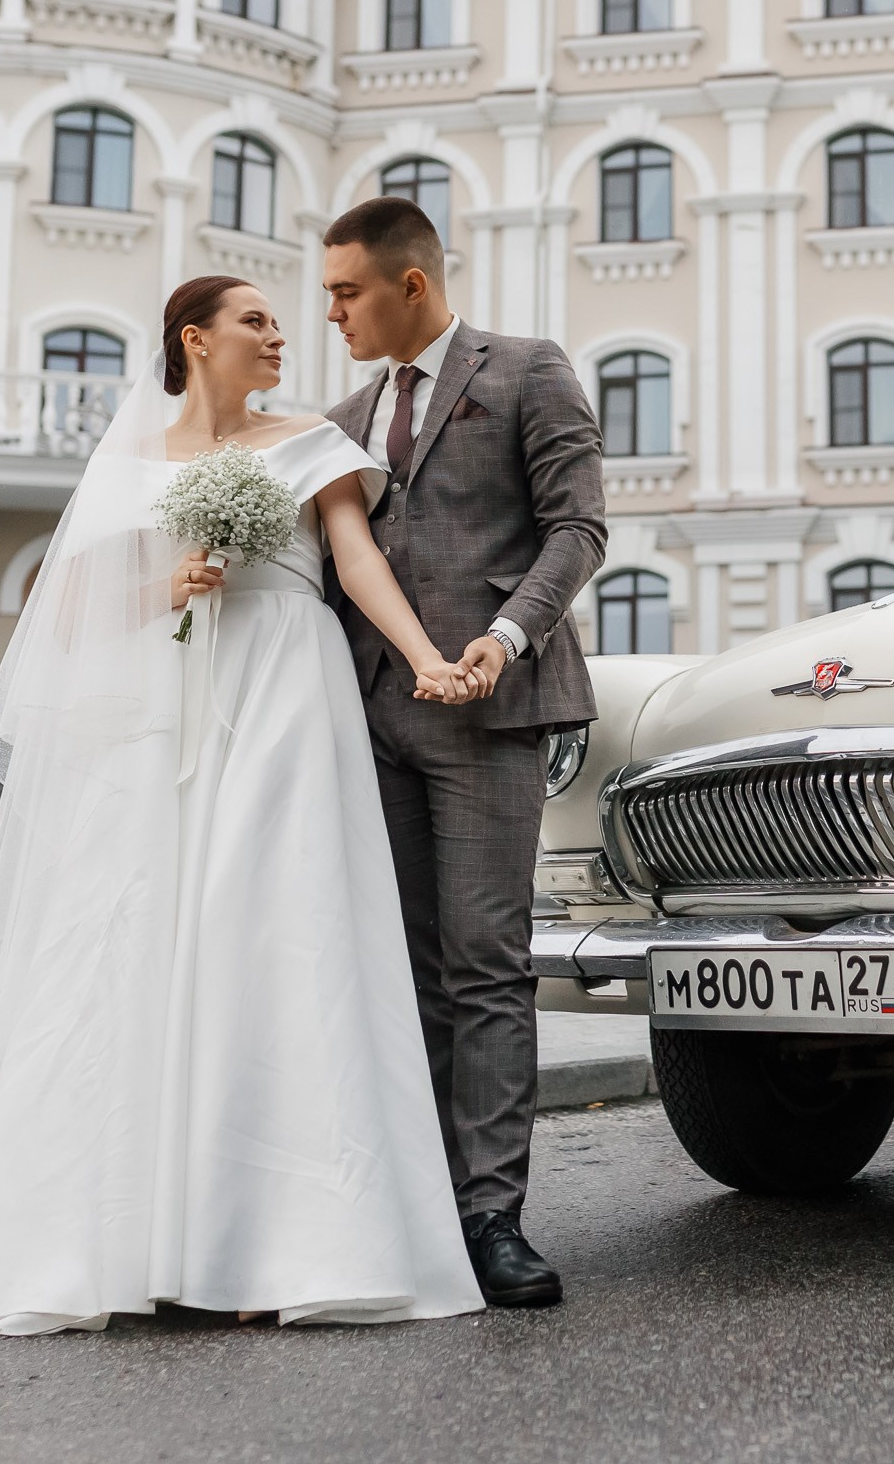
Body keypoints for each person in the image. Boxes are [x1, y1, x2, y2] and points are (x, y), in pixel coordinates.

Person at [0, 275, 486, 1334]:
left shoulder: (309, 439)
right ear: (196, 339)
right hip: (159, 714)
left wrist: (425, 660)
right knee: (138, 941)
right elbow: (73, 616)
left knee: (279, 931)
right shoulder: (126, 463)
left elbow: (354, 562)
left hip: (282, 693)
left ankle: (275, 1240)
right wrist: (165, 589)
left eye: (279, 320)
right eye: (256, 321)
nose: (280, 336)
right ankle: (134, 1239)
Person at [322, 198, 607, 1308]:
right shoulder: (341, 418)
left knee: (486, 966)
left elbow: (578, 528)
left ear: (411, 285)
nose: (333, 311)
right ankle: (425, 1208)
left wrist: (501, 638)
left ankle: (492, 1219)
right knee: (410, 972)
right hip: (374, 719)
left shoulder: (528, 370)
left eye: (347, 292)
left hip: (492, 711)